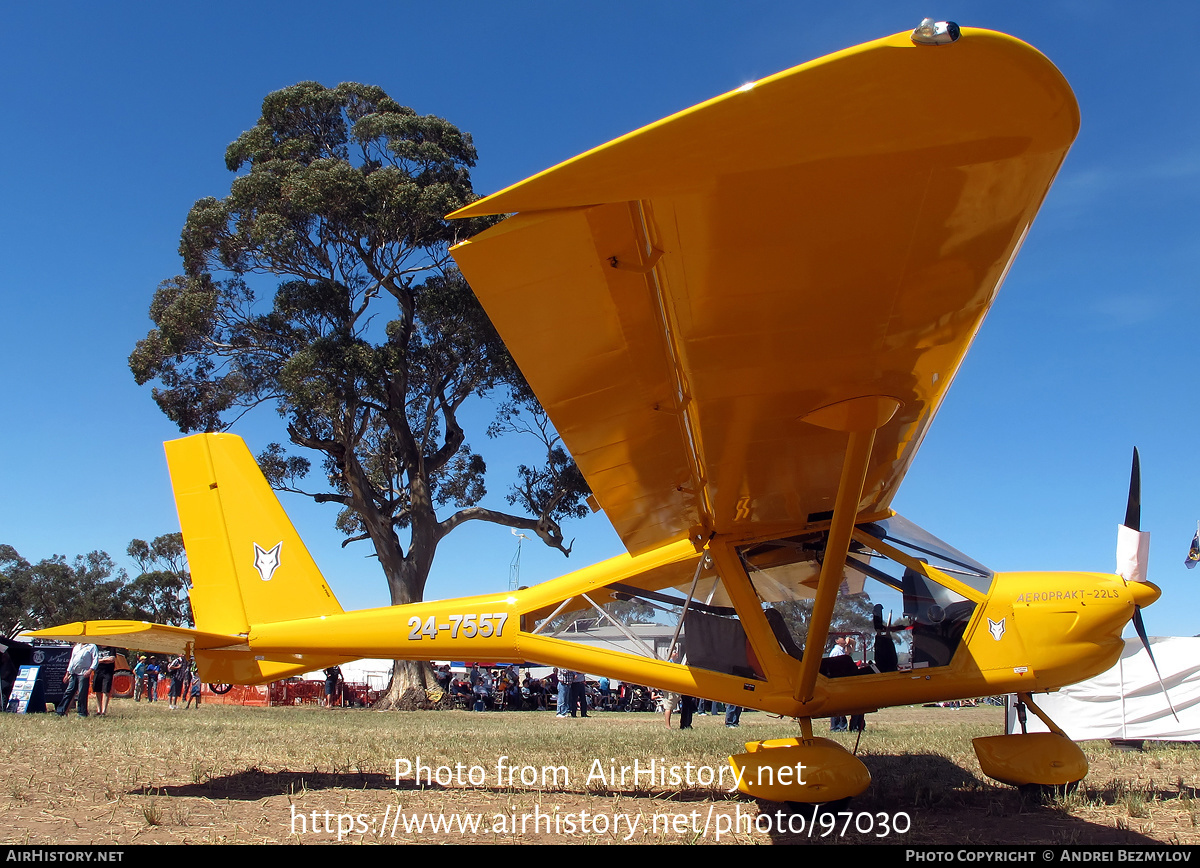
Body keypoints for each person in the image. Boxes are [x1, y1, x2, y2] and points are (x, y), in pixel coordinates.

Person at [57, 642, 98, 717]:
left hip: (84, 673)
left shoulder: (92, 646)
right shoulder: (76, 647)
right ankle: (61, 711)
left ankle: (82, 713)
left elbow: (95, 659)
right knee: (69, 692)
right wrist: (67, 673)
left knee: (82, 693)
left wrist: (90, 670)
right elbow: (72, 661)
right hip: (73, 673)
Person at [829, 637, 848, 732]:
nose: (844, 640)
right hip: (837, 681)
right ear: (837, 641)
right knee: (838, 705)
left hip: (837, 681)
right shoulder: (837, 652)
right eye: (842, 639)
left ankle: (838, 726)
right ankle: (838, 726)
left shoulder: (841, 651)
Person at [93, 647, 116, 716]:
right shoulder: (96, 648)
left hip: (108, 672)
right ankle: (99, 710)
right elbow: (94, 659)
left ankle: (104, 711)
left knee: (106, 690)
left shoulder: (112, 648)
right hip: (98, 671)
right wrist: (106, 660)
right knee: (97, 690)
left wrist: (100, 660)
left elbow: (112, 659)